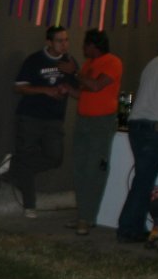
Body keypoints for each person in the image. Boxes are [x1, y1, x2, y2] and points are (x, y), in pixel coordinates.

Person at [116, 31, 158, 243]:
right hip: (157, 128)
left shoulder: (156, 61)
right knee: (144, 182)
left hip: (136, 124)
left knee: (141, 178)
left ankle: (131, 226)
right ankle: (129, 228)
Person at [9, 25, 78, 218]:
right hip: (30, 116)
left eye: (66, 40)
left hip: (54, 119)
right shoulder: (35, 60)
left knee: (54, 157)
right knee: (27, 153)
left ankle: (16, 169)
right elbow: (19, 87)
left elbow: (80, 92)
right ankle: (29, 205)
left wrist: (67, 87)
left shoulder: (70, 63)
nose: (64, 44)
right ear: (49, 42)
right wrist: (45, 90)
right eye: (59, 40)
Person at [66, 29, 122, 236]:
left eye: (85, 45)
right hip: (84, 120)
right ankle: (82, 213)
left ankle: (87, 218)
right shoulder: (89, 65)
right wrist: (68, 89)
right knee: (79, 167)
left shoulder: (112, 62)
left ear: (94, 45)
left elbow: (97, 85)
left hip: (101, 122)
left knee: (93, 169)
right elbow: (85, 93)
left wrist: (74, 72)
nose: (83, 49)